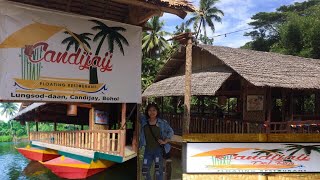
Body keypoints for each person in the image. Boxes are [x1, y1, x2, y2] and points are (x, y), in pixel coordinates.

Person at [139, 103, 174, 180]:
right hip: (147, 150)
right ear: (147, 112)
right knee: (144, 171)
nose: (152, 112)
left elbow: (171, 132)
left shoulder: (162, 122)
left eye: (154, 110)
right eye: (150, 110)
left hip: (158, 151)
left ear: (157, 111)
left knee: (158, 172)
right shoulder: (144, 121)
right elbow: (138, 113)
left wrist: (165, 141)